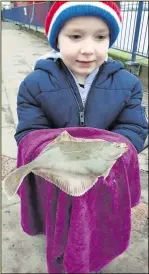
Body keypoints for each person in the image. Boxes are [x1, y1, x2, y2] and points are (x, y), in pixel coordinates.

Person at [14, 1, 148, 153]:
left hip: (108, 170)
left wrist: (106, 154)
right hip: (56, 170)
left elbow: (134, 128)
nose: (88, 50)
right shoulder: (33, 85)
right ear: (57, 40)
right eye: (76, 36)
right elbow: (30, 134)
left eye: (100, 37)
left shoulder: (129, 85)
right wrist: (62, 158)